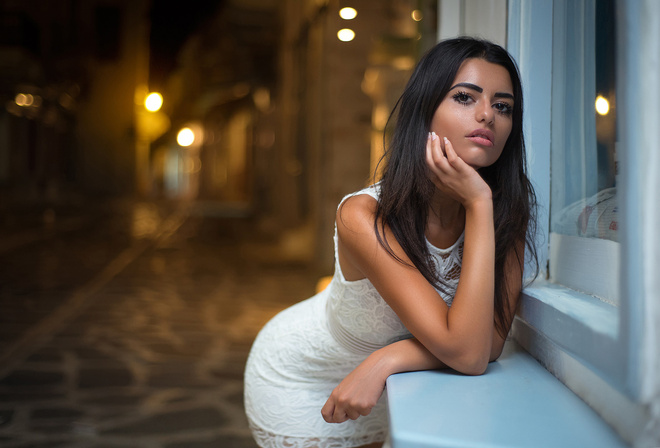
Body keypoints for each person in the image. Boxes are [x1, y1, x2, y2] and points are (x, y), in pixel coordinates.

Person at [244, 36, 537, 448]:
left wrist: (387, 360)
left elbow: (479, 349)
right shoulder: (363, 217)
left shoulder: (501, 214)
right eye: (465, 98)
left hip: (396, 385)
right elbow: (469, 353)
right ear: (425, 111)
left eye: (503, 106)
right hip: (304, 380)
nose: (487, 115)